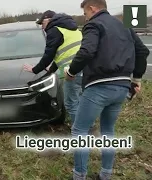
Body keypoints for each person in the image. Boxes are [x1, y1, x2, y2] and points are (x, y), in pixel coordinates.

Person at [64, 0, 150, 179]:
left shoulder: (94, 24)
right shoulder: (123, 26)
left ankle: (79, 175)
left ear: (92, 8)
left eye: (85, 14)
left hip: (99, 86)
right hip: (121, 87)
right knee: (108, 131)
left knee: (80, 131)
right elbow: (142, 50)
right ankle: (106, 174)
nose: (85, 18)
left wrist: (71, 72)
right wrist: (137, 79)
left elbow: (86, 51)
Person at [23, 10, 83, 126]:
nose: (42, 27)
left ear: (48, 20)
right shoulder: (70, 27)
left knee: (71, 103)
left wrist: (34, 70)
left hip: (72, 71)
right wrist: (51, 70)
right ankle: (86, 126)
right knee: (80, 100)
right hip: (85, 68)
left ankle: (79, 131)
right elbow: (62, 53)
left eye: (43, 23)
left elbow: (48, 55)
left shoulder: (54, 30)